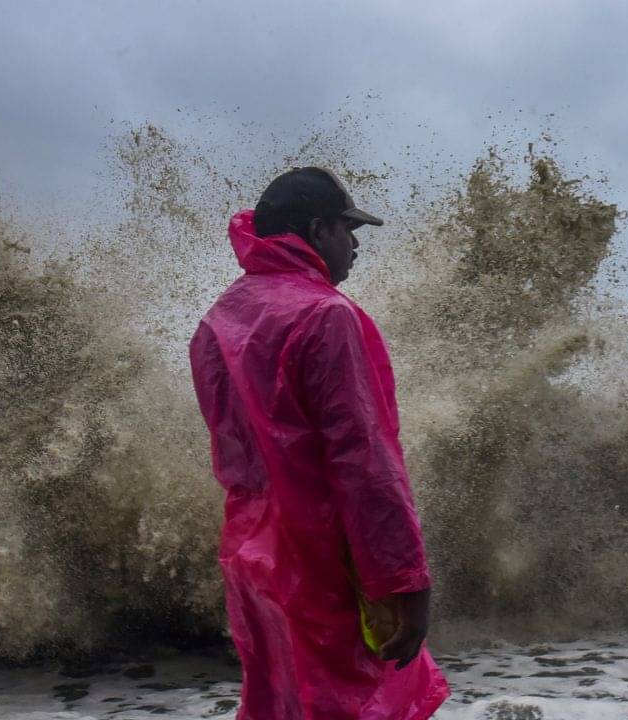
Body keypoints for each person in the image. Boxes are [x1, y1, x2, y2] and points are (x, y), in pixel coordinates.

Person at [189, 167, 449, 719]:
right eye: (345, 228)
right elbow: (365, 463)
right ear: (315, 230)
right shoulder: (326, 315)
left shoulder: (219, 320)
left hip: (251, 556)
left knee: (279, 707)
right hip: (320, 562)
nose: (354, 243)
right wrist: (407, 583)